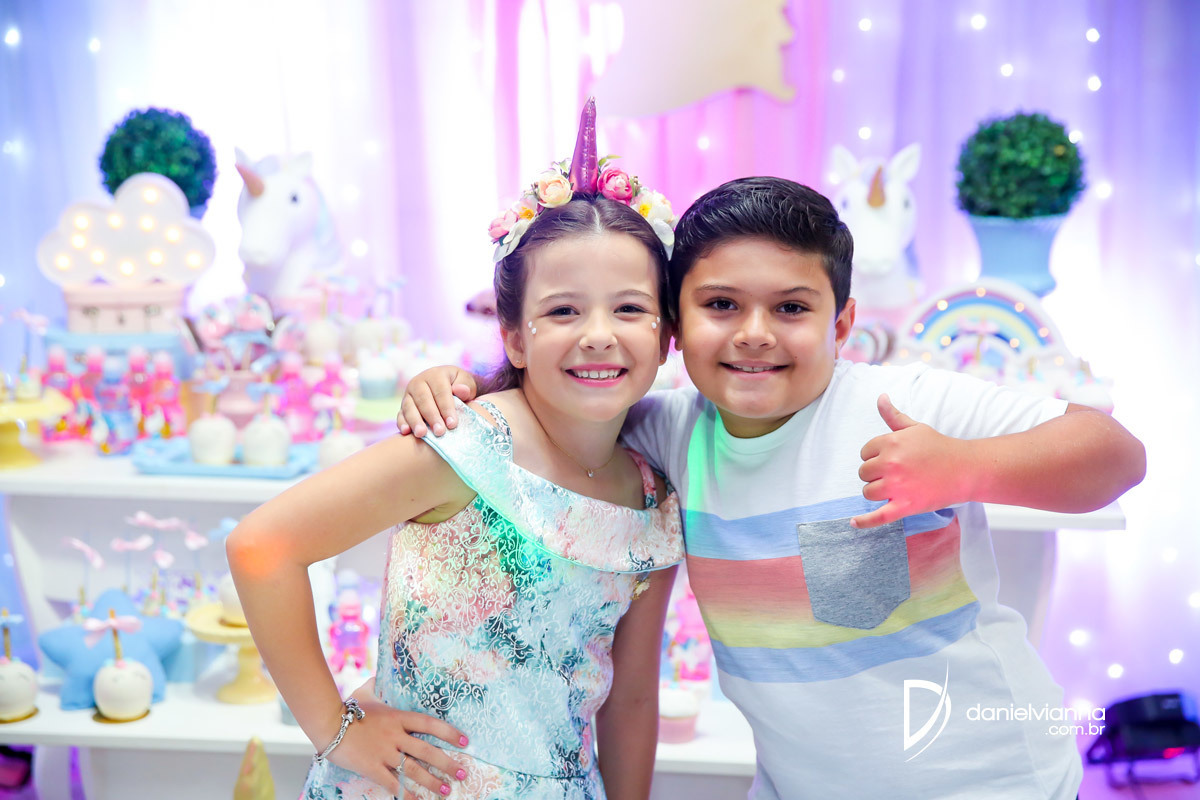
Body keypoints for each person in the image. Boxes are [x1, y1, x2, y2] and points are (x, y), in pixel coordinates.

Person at [397, 176, 1146, 799]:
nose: (754, 332)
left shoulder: (902, 403)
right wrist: (456, 382)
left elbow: (1116, 455)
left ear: (841, 324)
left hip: (993, 783)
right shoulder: (666, 432)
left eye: (791, 308)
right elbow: (556, 409)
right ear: (674, 326)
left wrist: (961, 467)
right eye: (721, 305)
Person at [227, 101, 683, 800]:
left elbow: (632, 699)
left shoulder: (652, 501)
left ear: (667, 334)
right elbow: (262, 548)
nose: (597, 334)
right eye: (563, 310)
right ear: (515, 337)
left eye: (628, 308)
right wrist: (337, 731)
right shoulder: (464, 443)